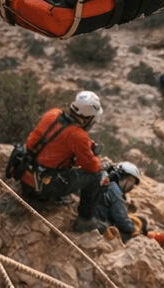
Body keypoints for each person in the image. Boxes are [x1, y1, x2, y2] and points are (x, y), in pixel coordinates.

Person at [19, 92, 109, 231]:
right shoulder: (78, 135)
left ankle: (43, 194)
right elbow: (92, 167)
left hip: (26, 172)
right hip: (45, 185)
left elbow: (53, 139)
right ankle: (85, 220)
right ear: (87, 118)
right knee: (95, 177)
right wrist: (95, 158)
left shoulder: (53, 113)